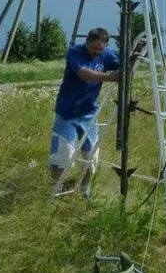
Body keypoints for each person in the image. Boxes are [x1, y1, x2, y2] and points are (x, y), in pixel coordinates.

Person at [48, 27, 120, 197]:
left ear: (105, 46)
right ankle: (55, 190)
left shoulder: (107, 54)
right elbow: (84, 74)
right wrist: (110, 77)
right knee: (62, 156)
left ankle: (84, 189)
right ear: (86, 42)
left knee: (91, 158)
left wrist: (127, 63)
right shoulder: (75, 52)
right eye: (93, 48)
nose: (96, 52)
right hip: (67, 113)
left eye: (99, 49)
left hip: (89, 114)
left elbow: (123, 66)